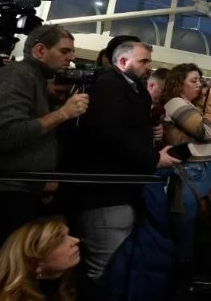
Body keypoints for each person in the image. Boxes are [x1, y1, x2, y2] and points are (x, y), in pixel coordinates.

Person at [0, 24, 87, 301]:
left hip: (11, 193)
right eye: (64, 51)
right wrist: (62, 114)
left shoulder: (32, 80)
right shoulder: (14, 77)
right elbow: (4, 136)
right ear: (39, 50)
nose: (70, 58)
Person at [59, 41, 180, 291]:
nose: (149, 67)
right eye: (143, 61)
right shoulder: (108, 86)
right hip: (105, 194)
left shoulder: (131, 89)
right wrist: (153, 159)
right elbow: (108, 134)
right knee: (106, 270)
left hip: (121, 191)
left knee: (117, 267)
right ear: (123, 62)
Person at [160, 63, 211, 261]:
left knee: (202, 231)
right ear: (178, 84)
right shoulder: (175, 103)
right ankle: (180, 283)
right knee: (187, 232)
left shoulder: (194, 106)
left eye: (200, 81)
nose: (199, 85)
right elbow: (206, 131)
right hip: (190, 172)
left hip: (206, 171)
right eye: (193, 81)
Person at [0, 217, 80, 301]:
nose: (76, 240)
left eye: (68, 234)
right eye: (61, 239)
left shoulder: (74, 285)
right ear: (32, 258)